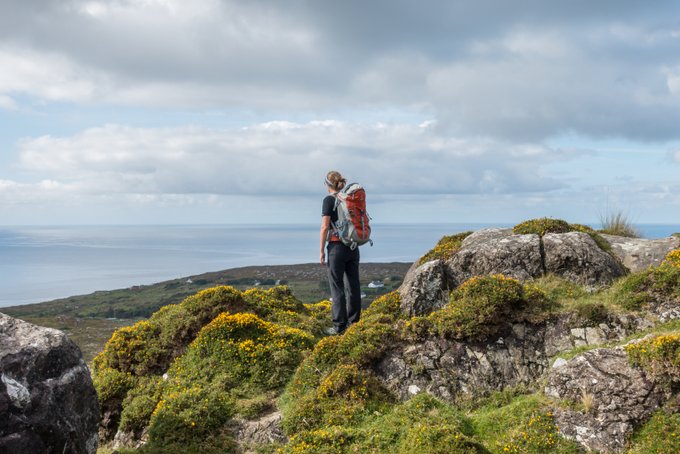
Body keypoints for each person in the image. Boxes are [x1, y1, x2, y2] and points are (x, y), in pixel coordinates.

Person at [319, 170, 361, 335]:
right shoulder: (348, 199)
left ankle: (340, 327)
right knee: (353, 286)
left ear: (327, 184)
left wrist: (321, 250)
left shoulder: (329, 200)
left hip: (336, 247)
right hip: (353, 246)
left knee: (337, 287)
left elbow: (324, 227)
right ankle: (355, 323)